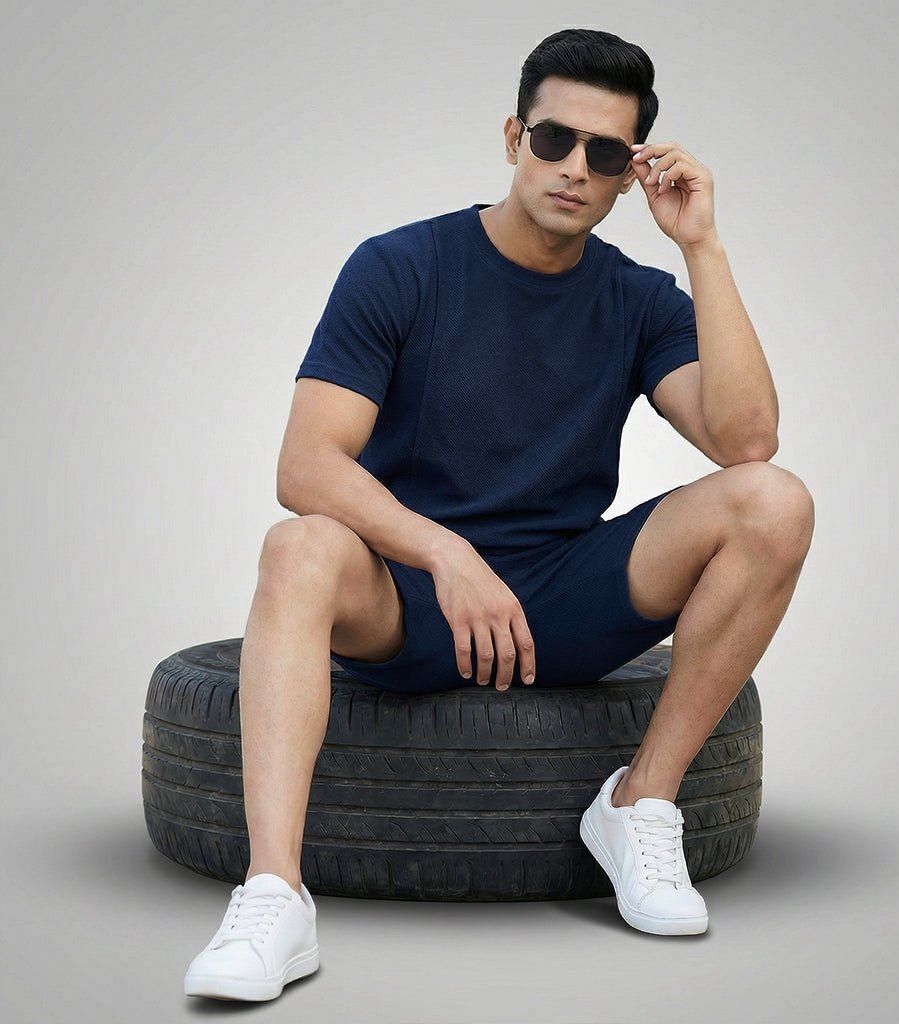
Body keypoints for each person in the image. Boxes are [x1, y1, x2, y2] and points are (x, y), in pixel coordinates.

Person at [184, 27, 814, 1002]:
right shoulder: (400, 266)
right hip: (408, 597)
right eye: (554, 140)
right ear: (515, 137)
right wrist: (446, 556)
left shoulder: (638, 297)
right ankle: (275, 896)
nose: (574, 168)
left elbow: (747, 441)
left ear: (629, 175)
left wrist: (701, 245)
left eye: (606, 154)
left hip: (559, 597)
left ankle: (639, 802)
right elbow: (305, 464)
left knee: (774, 503)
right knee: (297, 547)